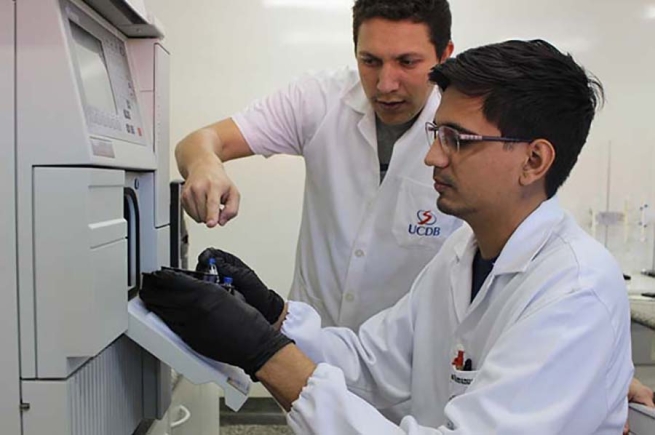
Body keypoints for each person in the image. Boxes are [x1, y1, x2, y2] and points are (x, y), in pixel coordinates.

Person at [142, 39, 638, 433]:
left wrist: (264, 354)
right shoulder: (461, 254)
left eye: (457, 140)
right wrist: (271, 316)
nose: (433, 157)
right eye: (438, 134)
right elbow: (370, 362)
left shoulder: (574, 294)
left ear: (534, 160)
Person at [175, 0, 462, 330]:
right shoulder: (319, 99)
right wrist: (205, 164)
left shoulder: (467, 133)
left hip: (407, 353)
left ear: (444, 56)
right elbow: (199, 141)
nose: (385, 84)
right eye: (370, 61)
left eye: (407, 62)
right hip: (308, 341)